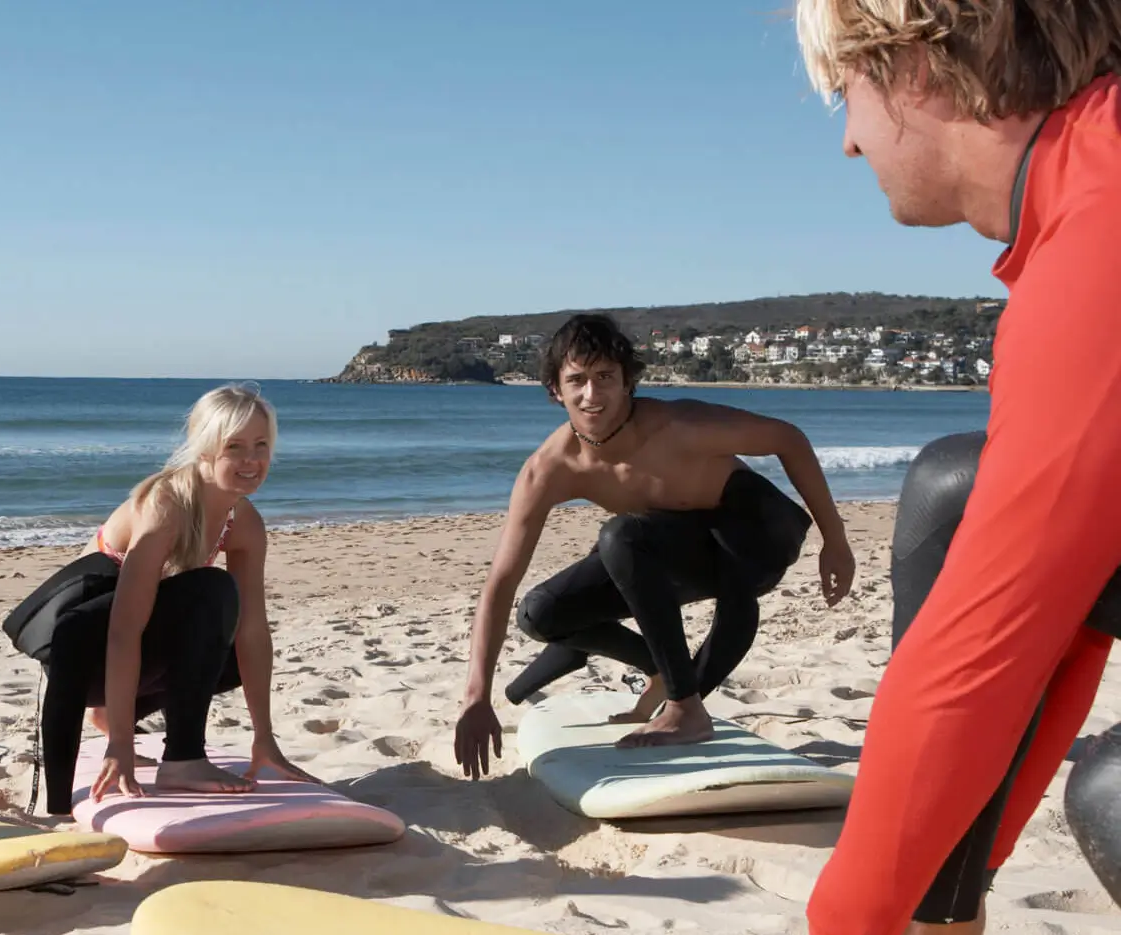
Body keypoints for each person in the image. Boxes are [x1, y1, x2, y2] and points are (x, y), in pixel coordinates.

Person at [790, 2, 1121, 932]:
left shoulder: (1105, 228)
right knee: (955, 486)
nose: (850, 145)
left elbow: (979, 657)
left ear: (913, 67)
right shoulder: (1092, 172)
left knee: (1117, 795)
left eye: (843, 95)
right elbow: (1070, 620)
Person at [451, 313, 855, 770]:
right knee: (541, 611)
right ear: (554, 390)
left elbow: (788, 438)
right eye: (577, 380)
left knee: (621, 536)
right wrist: (475, 696)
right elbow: (501, 583)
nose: (591, 394)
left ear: (628, 383)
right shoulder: (549, 469)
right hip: (665, 543)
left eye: (605, 377)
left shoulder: (679, 425)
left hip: (758, 530)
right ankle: (664, 670)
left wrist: (834, 540)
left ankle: (685, 707)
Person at [1, 383, 319, 814]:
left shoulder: (243, 522)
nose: (252, 460)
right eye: (235, 447)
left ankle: (125, 716)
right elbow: (122, 630)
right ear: (205, 449)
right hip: (83, 653)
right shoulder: (168, 504)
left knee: (231, 648)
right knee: (211, 589)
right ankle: (179, 759)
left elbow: (253, 631)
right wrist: (120, 746)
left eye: (261, 445)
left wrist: (264, 738)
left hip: (136, 649)